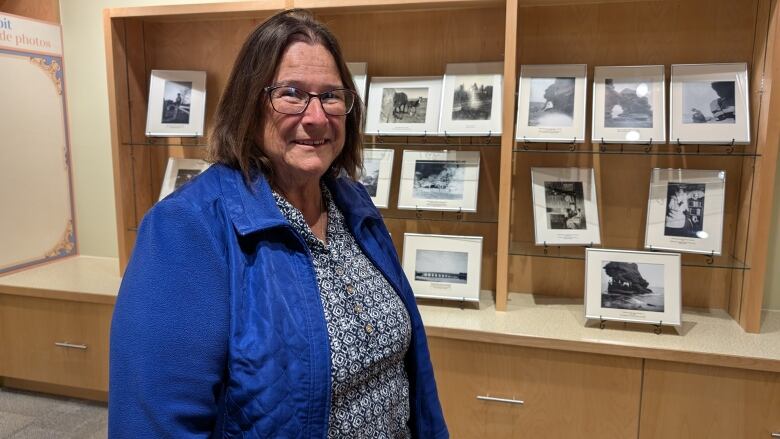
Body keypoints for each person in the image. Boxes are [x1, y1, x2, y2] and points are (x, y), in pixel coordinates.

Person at [109, 9, 448, 438]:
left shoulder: (352, 205)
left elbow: (410, 376)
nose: (317, 116)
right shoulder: (187, 229)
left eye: (331, 95)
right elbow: (152, 424)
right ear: (249, 106)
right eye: (292, 93)